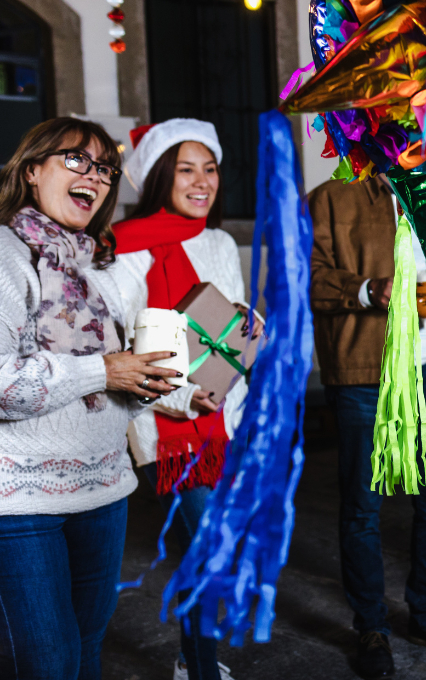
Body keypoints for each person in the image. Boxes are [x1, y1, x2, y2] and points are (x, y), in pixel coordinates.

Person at [0, 118, 178, 679]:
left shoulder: (98, 266)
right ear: (32, 171)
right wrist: (106, 369)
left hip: (105, 488)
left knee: (87, 651)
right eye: (76, 160)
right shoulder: (5, 256)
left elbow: (117, 388)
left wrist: (158, 385)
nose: (95, 176)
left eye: (104, 167)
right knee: (51, 665)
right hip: (22, 503)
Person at [88, 119, 249, 680]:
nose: (201, 181)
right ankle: (200, 670)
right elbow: (123, 348)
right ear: (160, 176)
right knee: (205, 553)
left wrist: (249, 342)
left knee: (209, 553)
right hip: (168, 433)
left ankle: (190, 657)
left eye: (210, 169)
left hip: (223, 425)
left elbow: (228, 331)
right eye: (186, 169)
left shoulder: (221, 242)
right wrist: (185, 396)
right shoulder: (124, 250)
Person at [310, 173, 426, 680]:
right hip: (363, 373)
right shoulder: (332, 198)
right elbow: (301, 277)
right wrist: (366, 289)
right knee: (361, 508)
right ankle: (371, 626)